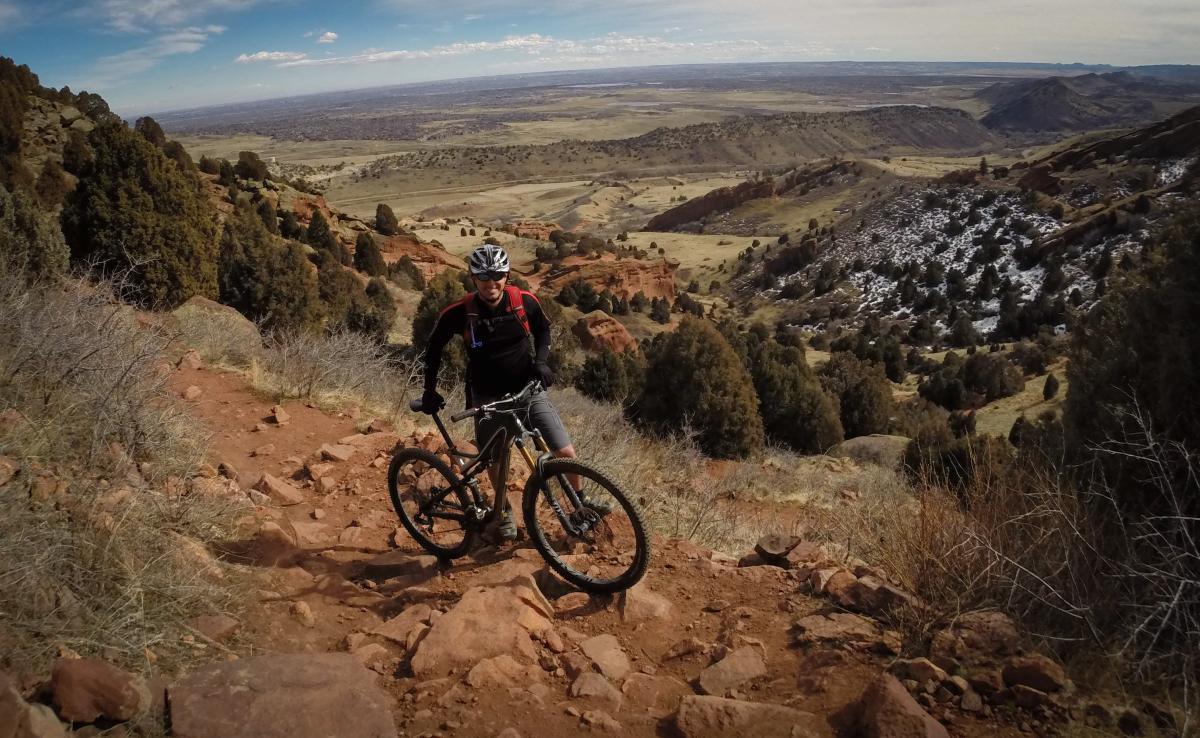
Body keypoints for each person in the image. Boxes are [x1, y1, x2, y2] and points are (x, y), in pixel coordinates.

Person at [419, 244, 577, 541]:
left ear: (506, 276)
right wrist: (429, 390)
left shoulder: (523, 302)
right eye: (483, 276)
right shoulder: (459, 313)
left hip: (527, 390)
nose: (491, 283)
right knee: (495, 462)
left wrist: (541, 363)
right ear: (473, 277)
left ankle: (579, 507)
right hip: (487, 398)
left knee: (564, 451)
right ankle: (503, 512)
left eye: (497, 276)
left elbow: (544, 330)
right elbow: (433, 350)